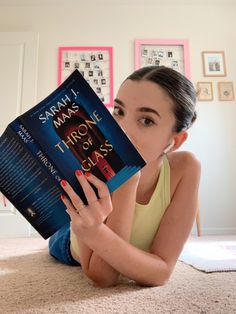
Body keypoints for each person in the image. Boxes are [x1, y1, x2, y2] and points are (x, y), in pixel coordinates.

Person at [49, 66, 201, 287]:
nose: (121, 128)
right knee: (62, 234)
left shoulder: (186, 168)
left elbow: (161, 273)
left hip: (92, 229)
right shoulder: (102, 161)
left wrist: (128, 181)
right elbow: (103, 277)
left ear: (174, 141)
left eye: (146, 120)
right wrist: (126, 182)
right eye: (119, 112)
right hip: (70, 241)